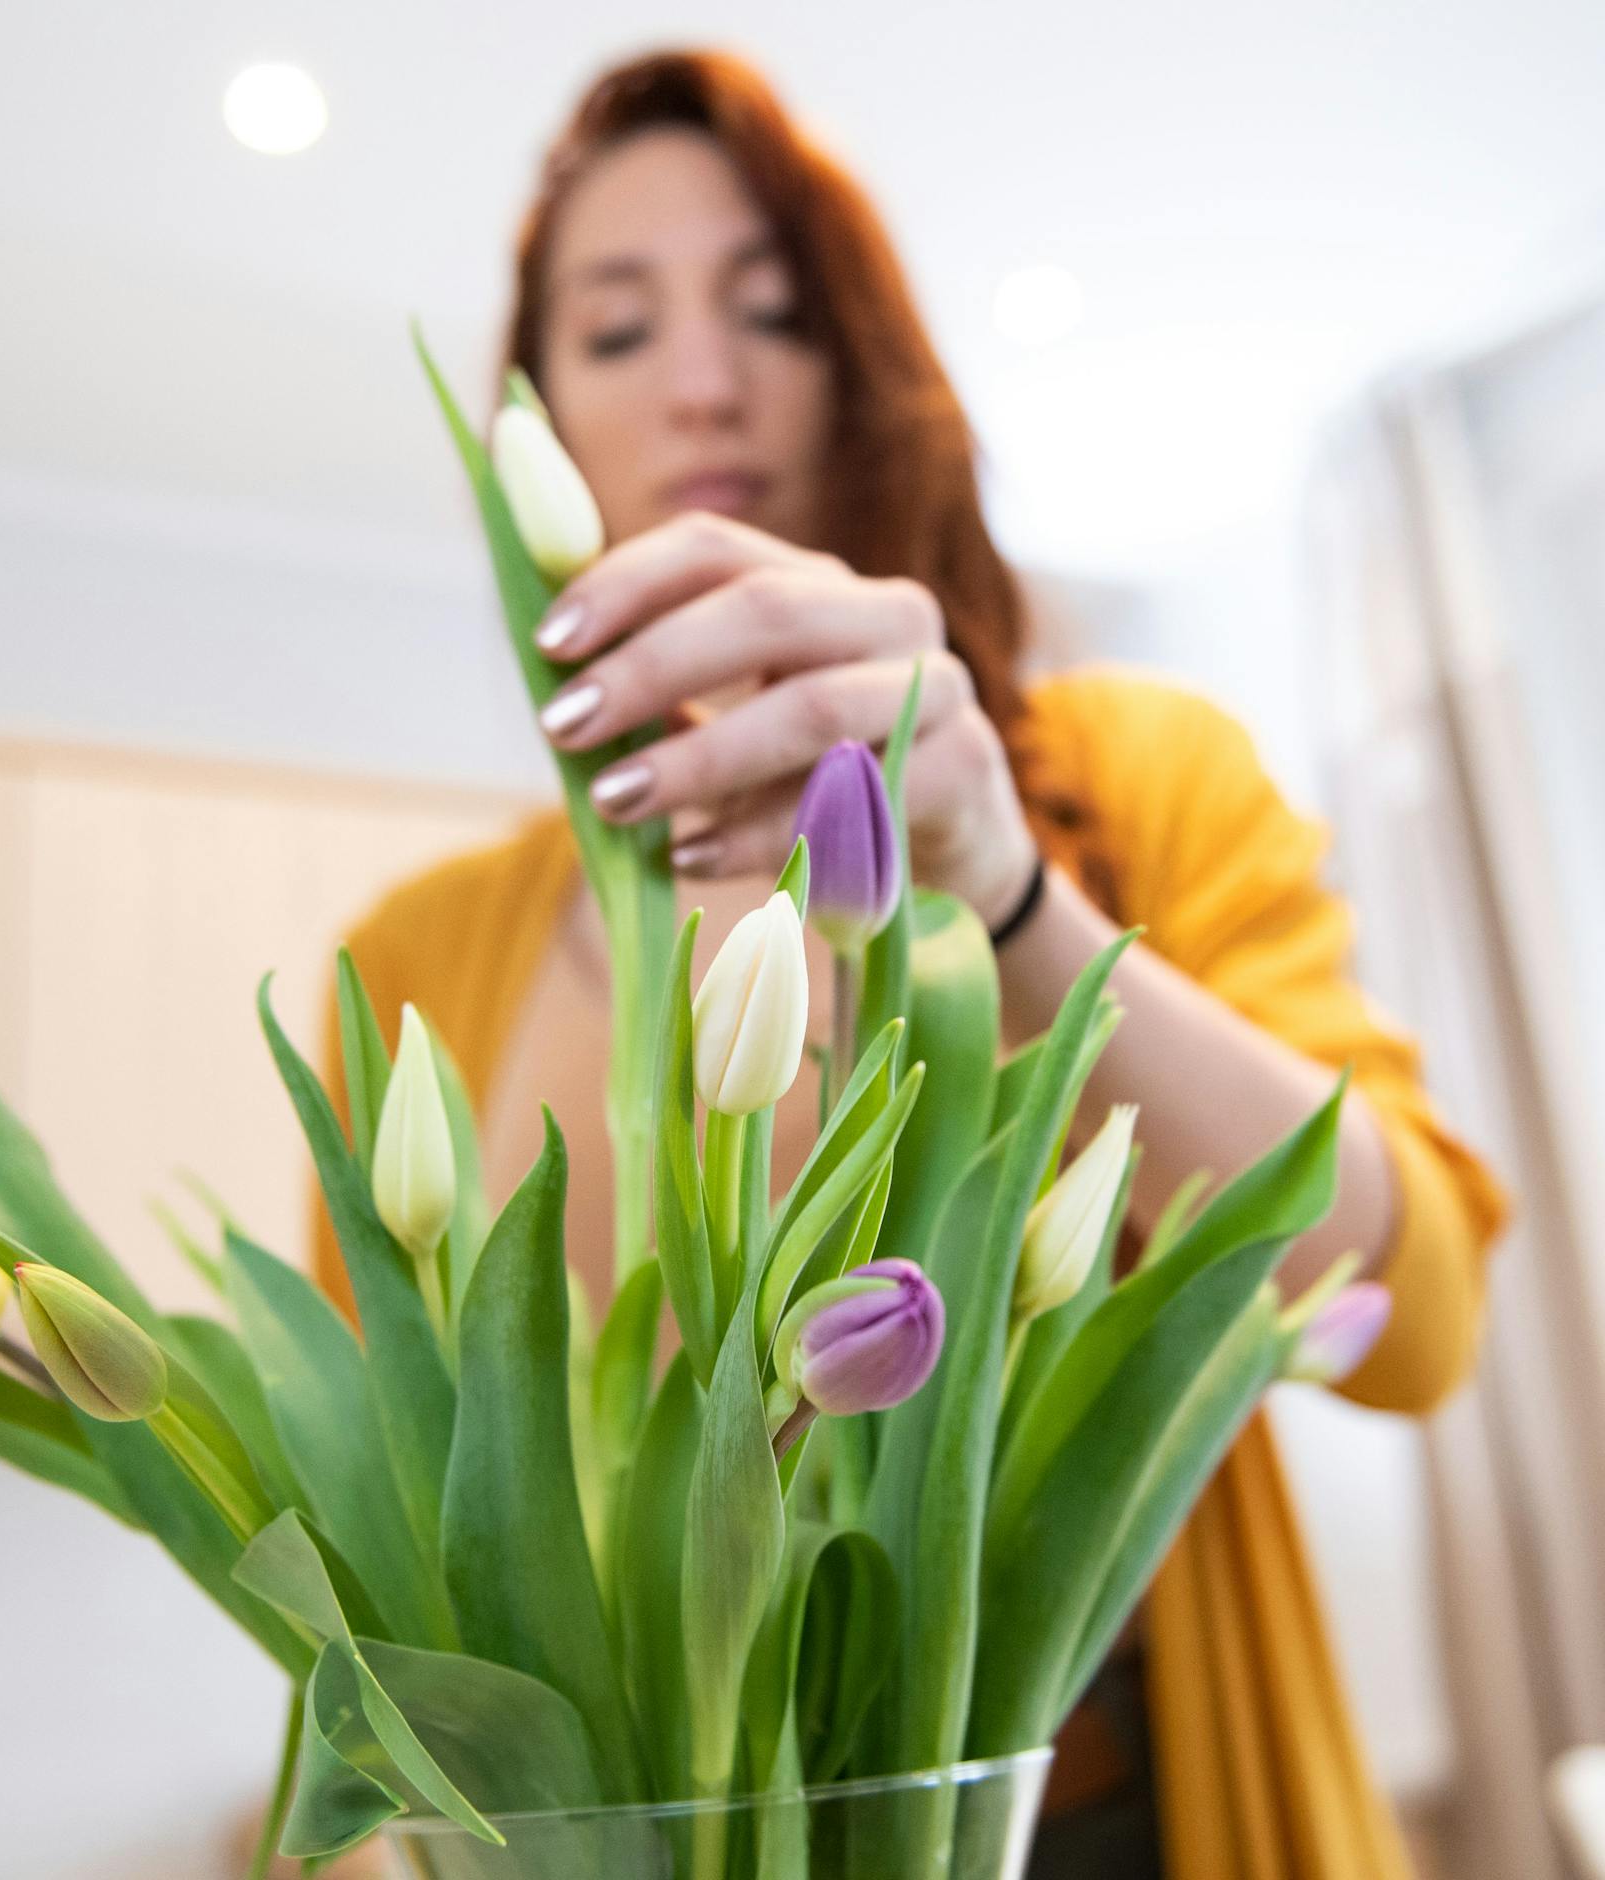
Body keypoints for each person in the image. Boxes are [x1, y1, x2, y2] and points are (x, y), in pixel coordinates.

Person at [312, 48, 1507, 1879]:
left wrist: (1008, 893)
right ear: (533, 431)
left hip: (1127, 1825)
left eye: (774, 311)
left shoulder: (1134, 782)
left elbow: (1413, 1320)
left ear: (863, 368)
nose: (704, 383)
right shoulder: (418, 956)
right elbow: (378, 1564)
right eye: (620, 330)